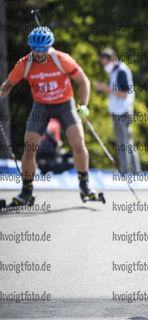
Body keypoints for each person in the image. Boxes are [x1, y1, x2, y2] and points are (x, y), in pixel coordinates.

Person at [0, 26, 99, 204]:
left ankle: (85, 185)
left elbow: (83, 81)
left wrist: (84, 104)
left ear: (49, 47)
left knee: (78, 144)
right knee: (29, 149)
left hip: (64, 105)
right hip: (41, 107)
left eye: (42, 49)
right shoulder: (25, 63)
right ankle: (26, 191)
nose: (38, 53)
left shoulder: (62, 59)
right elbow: (7, 85)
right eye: (34, 49)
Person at [95, 48, 141, 174]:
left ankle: (125, 171)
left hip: (123, 111)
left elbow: (124, 94)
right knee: (127, 140)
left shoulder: (121, 71)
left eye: (106, 63)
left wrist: (106, 89)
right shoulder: (116, 71)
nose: (105, 66)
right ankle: (135, 171)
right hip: (120, 110)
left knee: (123, 142)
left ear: (113, 60)